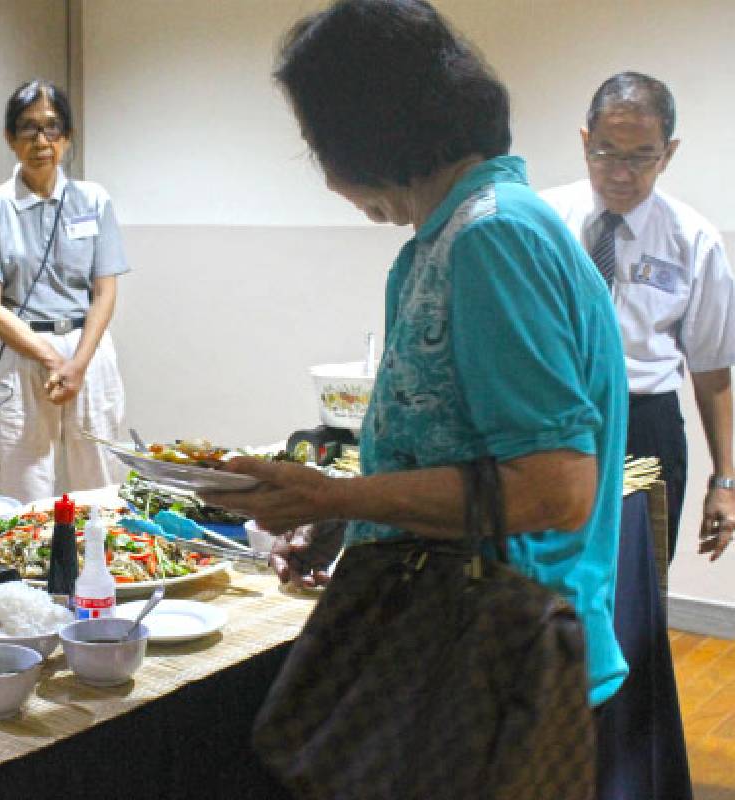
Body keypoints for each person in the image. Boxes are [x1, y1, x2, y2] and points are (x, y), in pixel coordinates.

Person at [202, 0, 627, 794]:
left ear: (364, 132)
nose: (322, 169)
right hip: (470, 646)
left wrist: (342, 490)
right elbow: (460, 451)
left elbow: (554, 487)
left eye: (315, 140)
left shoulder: (491, 238)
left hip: (499, 659)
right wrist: (351, 518)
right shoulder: (454, 236)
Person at [542, 72, 735, 564]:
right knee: (544, 581)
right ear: (586, 142)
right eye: (606, 152)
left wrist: (726, 482)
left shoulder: (694, 240)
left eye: (640, 157)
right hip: (551, 417)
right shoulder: (541, 222)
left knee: (639, 584)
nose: (621, 173)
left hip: (645, 425)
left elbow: (713, 373)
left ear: (667, 153)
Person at [0, 79, 130, 502]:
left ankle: (103, 566)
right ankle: (31, 569)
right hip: (21, 351)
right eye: (27, 128)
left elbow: (104, 293)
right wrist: (53, 358)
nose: (41, 140)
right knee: (25, 488)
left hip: (87, 352)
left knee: (101, 485)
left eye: (52, 128)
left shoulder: (94, 201)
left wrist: (77, 363)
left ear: (67, 136)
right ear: (9, 138)